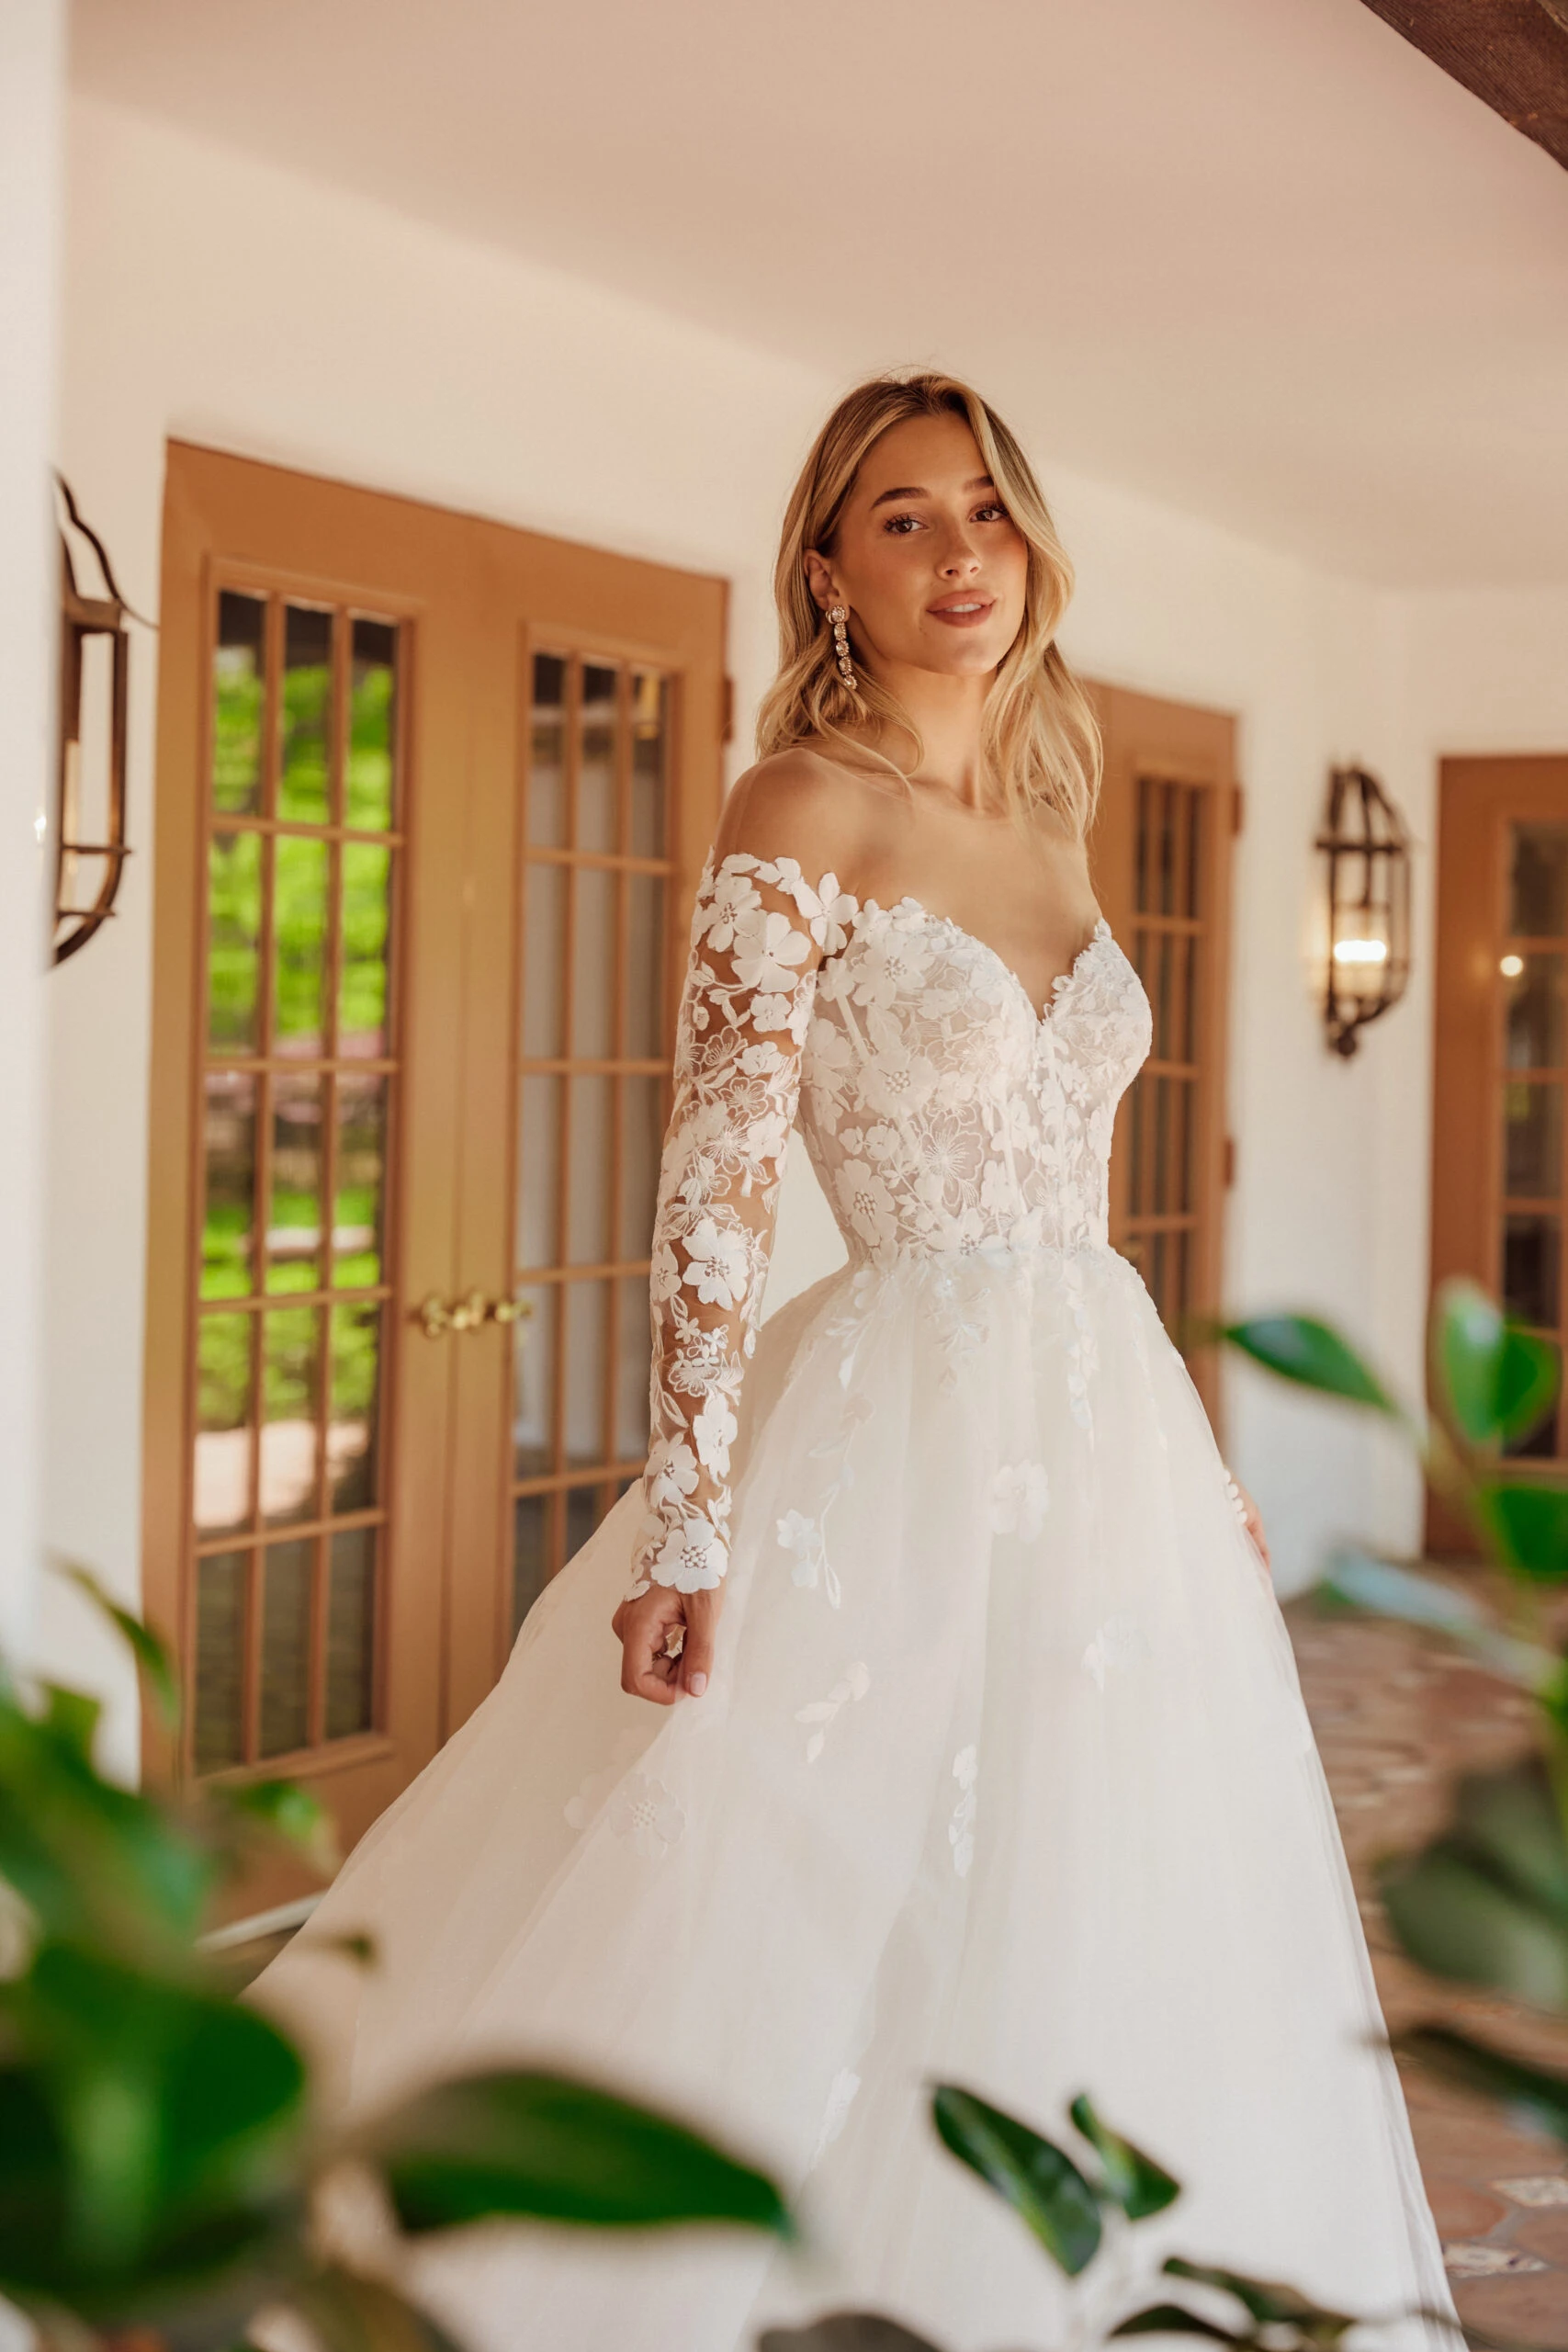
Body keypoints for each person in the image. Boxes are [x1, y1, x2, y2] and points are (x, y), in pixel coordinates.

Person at [254, 372, 1456, 2351]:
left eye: (986, 507)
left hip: (1104, 1420)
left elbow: (1078, 1186)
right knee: (820, 1881)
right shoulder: (801, 806)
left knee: (1098, 1881)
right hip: (889, 1416)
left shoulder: (1055, 825)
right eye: (902, 515)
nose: (959, 550)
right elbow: (713, 1180)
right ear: (826, 567)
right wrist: (696, 1520)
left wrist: (1196, 1446)